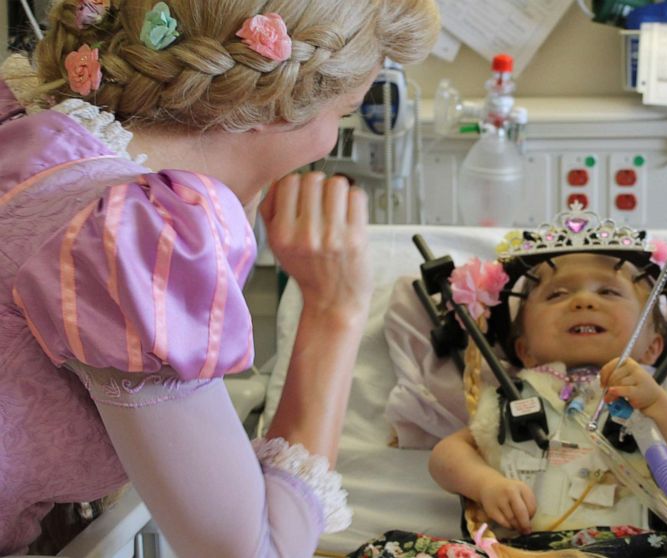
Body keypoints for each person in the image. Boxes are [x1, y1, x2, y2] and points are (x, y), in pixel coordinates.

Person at [0, 0, 439, 555]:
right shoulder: (132, 239)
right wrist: (333, 311)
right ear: (275, 106)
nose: (328, 142)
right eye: (342, 114)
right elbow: (255, 551)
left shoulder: (43, 142)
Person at [425, 252, 667, 558]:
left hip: (632, 548)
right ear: (524, 350)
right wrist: (486, 484)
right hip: (523, 551)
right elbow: (447, 456)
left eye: (608, 291)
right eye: (557, 294)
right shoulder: (510, 398)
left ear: (652, 348)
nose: (583, 302)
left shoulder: (653, 399)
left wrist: (657, 404)